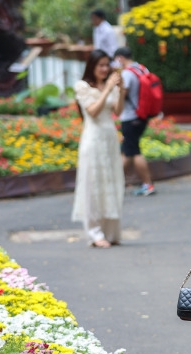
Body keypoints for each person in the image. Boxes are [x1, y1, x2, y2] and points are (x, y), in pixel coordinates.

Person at [71, 50, 125, 249]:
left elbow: (117, 111)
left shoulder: (110, 85)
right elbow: (92, 111)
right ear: (92, 66)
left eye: (106, 65)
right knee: (93, 183)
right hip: (93, 138)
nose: (104, 69)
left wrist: (121, 88)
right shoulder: (82, 86)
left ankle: (110, 231)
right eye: (100, 65)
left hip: (109, 137)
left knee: (111, 181)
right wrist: (108, 87)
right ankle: (94, 232)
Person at [113, 46, 156, 197]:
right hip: (141, 116)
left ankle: (148, 184)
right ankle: (116, 185)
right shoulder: (142, 69)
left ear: (120, 58)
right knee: (127, 152)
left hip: (130, 117)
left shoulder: (127, 73)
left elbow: (122, 95)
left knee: (134, 152)